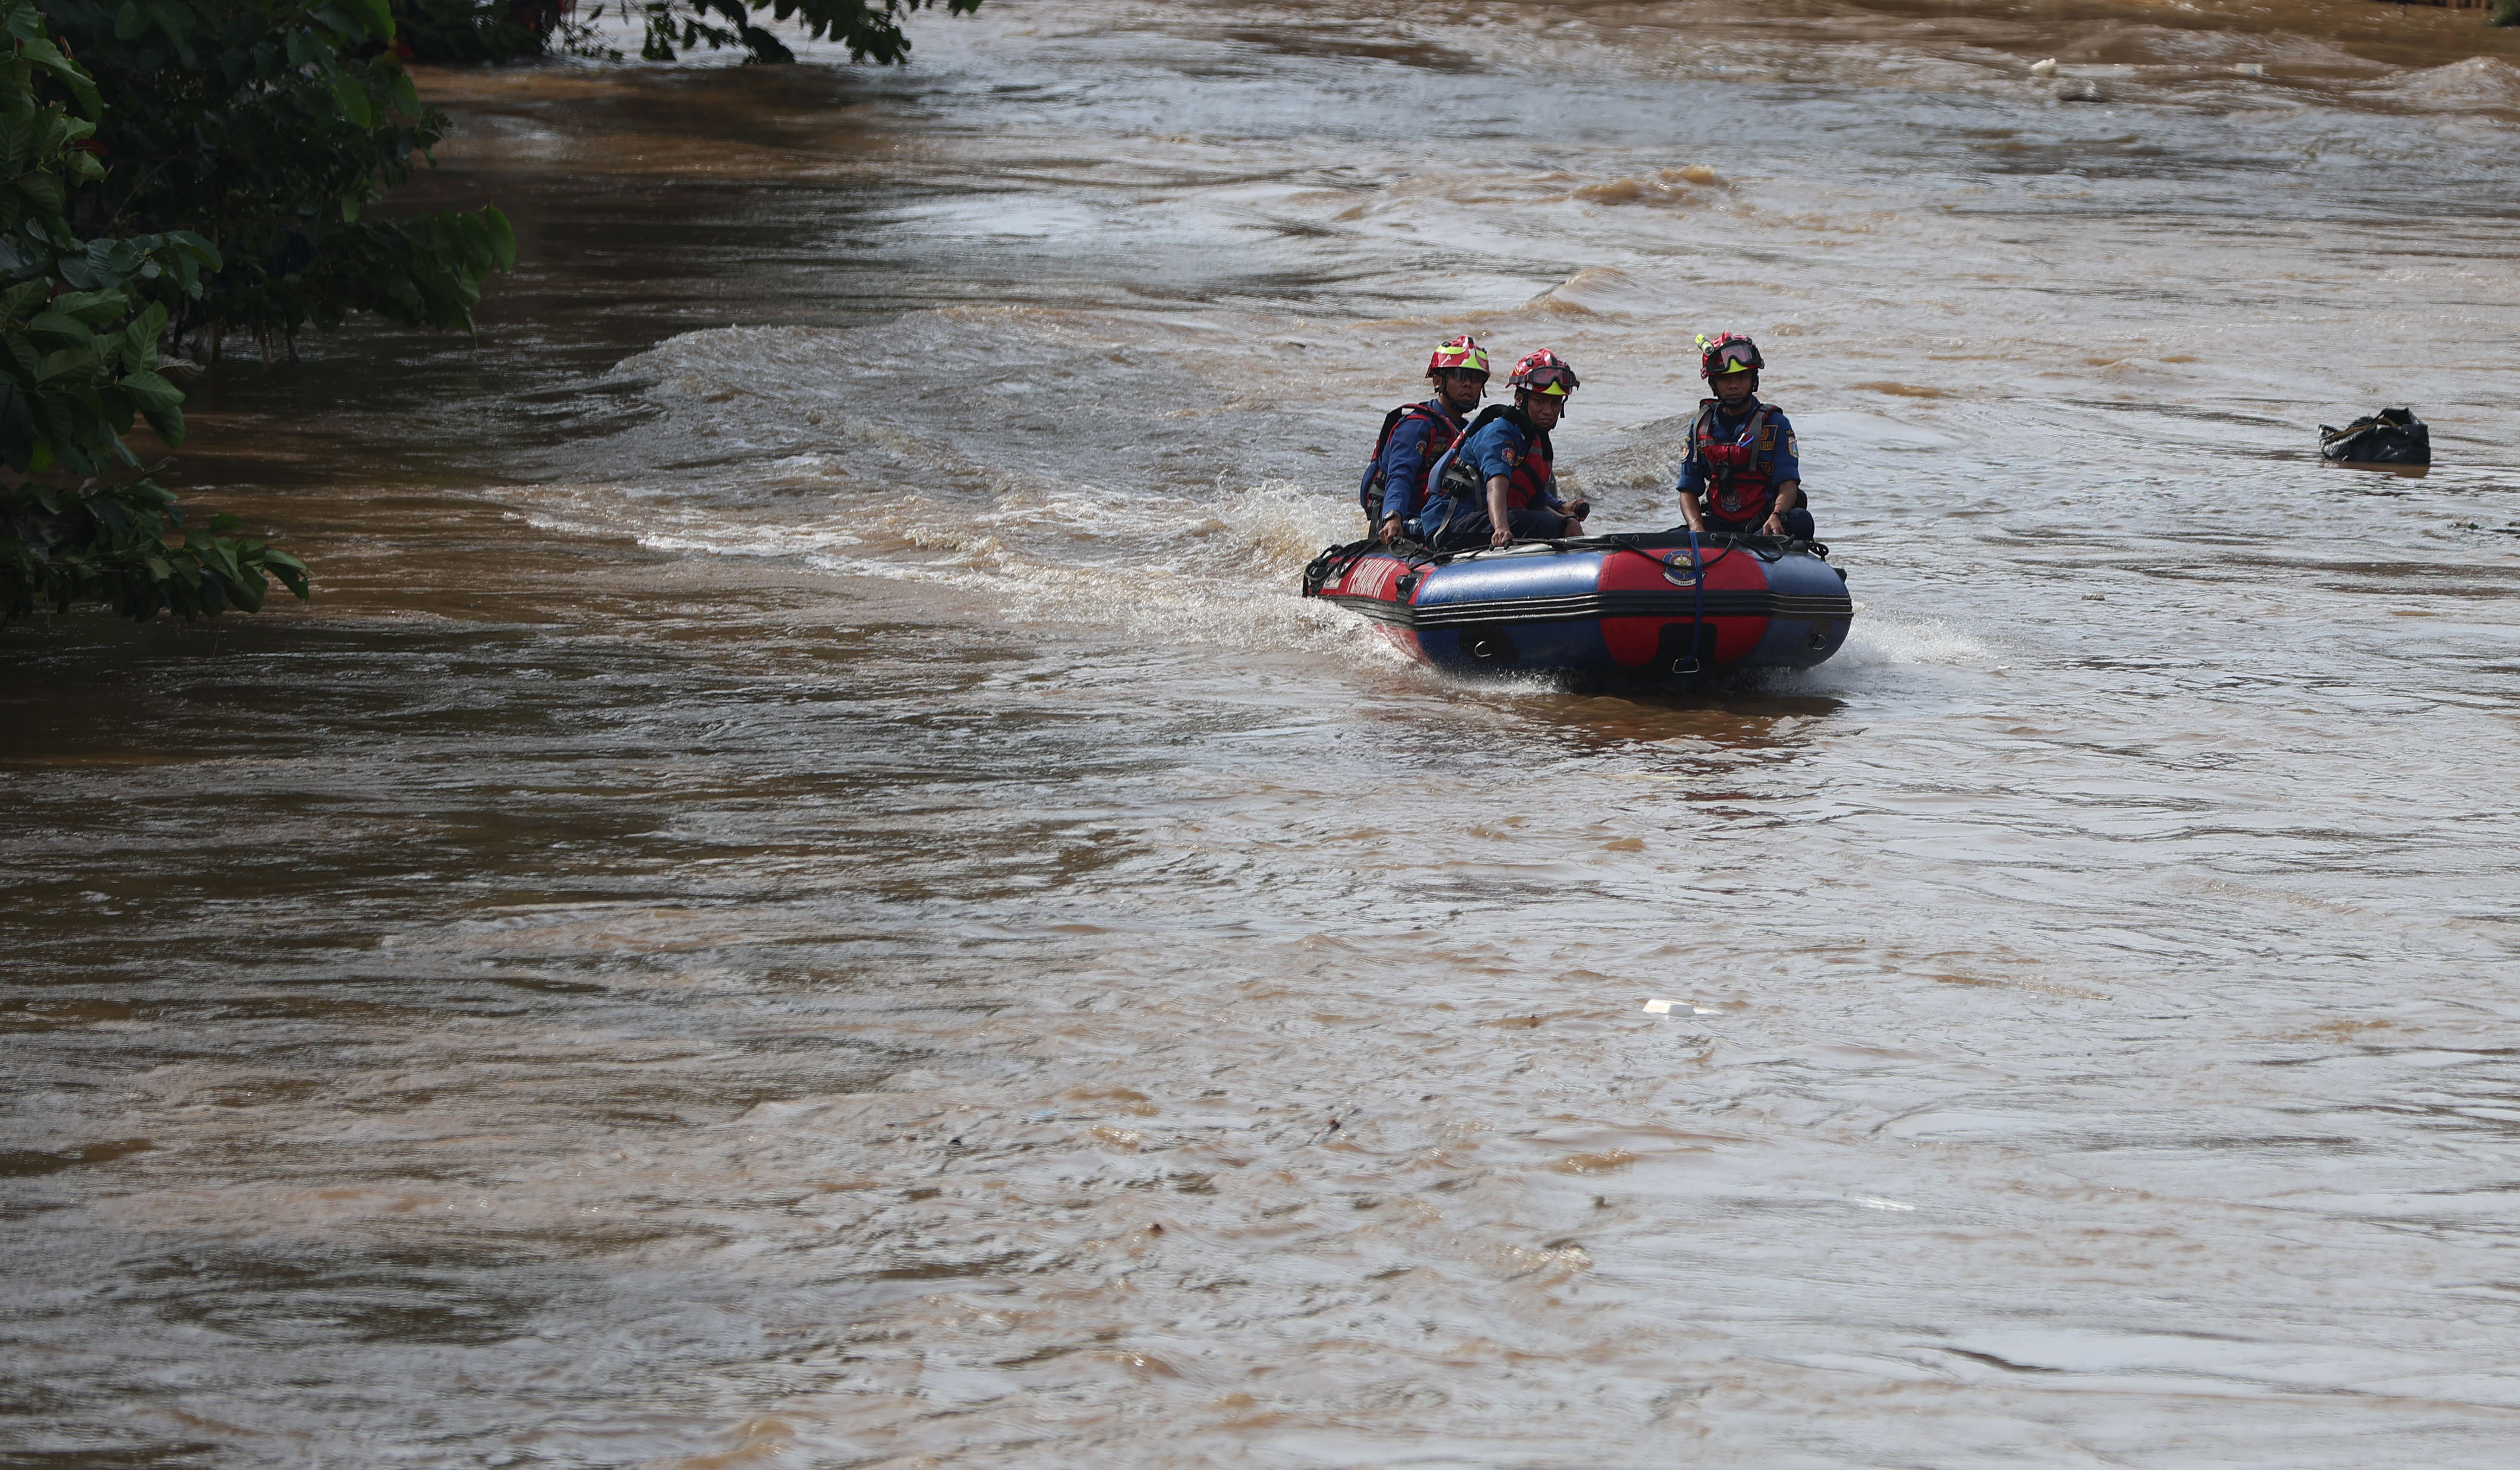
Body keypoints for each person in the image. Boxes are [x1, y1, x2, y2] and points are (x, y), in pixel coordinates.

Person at [1420, 349, 1590, 551]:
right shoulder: (1500, 433)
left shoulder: (1536, 443)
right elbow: (1496, 487)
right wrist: (1501, 528)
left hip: (1480, 522)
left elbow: (1536, 504)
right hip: (1448, 526)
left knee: (1552, 522)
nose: (1549, 410)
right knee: (1543, 524)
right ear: (1520, 399)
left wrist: (1567, 520)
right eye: (1540, 401)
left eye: (1555, 403)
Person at [1674, 332, 1815, 540]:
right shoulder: (1700, 427)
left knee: (1801, 520)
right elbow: (1688, 489)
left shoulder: (1776, 424)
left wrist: (1776, 515)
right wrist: (1697, 528)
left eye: (1742, 377)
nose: (1733, 386)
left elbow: (1788, 484)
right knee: (1671, 538)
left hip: (1763, 525)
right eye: (1725, 379)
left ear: (1753, 380)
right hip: (1715, 526)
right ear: (1713, 383)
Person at [1357, 336, 1489, 543]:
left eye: (1476, 379)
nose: (1468, 384)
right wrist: (1393, 516)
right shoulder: (1417, 426)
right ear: (1438, 381)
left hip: (1444, 519)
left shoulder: (1468, 431)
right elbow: (1400, 475)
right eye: (1460, 376)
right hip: (1408, 522)